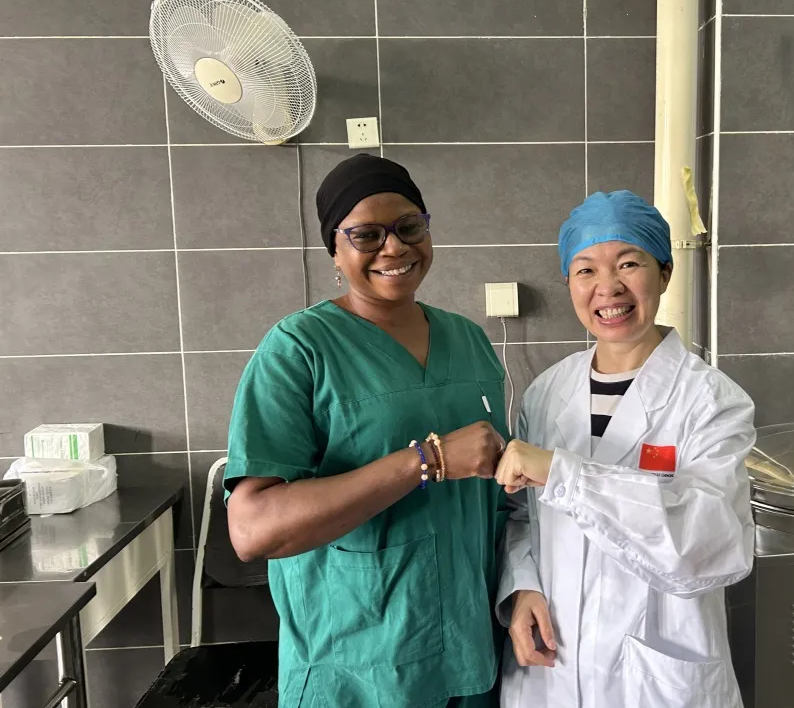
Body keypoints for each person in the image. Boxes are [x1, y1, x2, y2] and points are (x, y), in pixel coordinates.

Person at [224, 153, 509, 708]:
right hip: (357, 665)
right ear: (335, 250)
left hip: (474, 652)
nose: (394, 247)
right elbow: (254, 530)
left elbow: (495, 502)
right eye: (366, 235)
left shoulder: (469, 340)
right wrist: (425, 461)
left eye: (409, 226)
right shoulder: (298, 350)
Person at [493, 190, 757, 708]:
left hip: (654, 674)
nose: (608, 287)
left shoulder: (711, 400)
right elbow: (521, 514)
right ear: (569, 283)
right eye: (585, 270)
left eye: (629, 264)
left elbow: (713, 544)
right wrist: (522, 587)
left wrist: (565, 475)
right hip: (554, 664)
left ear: (665, 273)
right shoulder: (546, 392)